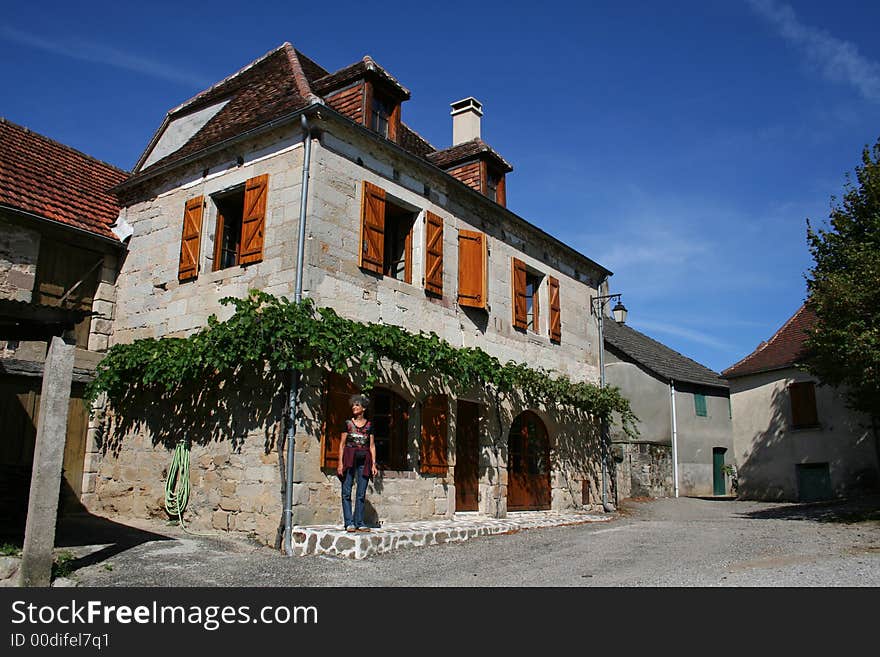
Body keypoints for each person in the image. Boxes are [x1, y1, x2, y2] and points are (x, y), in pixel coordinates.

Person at [336, 394, 378, 532]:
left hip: (364, 460)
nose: (354, 407)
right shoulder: (348, 424)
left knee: (361, 492)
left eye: (357, 405)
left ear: (363, 408)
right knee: (346, 491)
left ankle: (359, 522)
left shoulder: (370, 425)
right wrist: (340, 464)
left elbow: (372, 446)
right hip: (349, 458)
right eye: (353, 405)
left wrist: (373, 464)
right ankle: (349, 522)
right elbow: (342, 445)